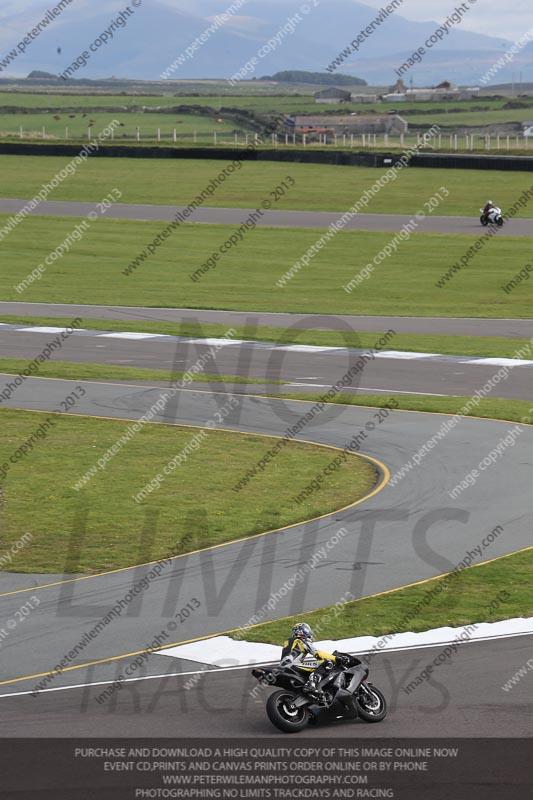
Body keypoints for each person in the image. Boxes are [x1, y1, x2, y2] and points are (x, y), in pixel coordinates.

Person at [280, 622, 349, 697]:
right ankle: (311, 685)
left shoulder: (289, 642)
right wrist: (335, 658)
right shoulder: (301, 641)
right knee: (327, 662)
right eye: (307, 631)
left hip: (282, 667)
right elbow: (318, 654)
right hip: (292, 665)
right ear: (302, 631)